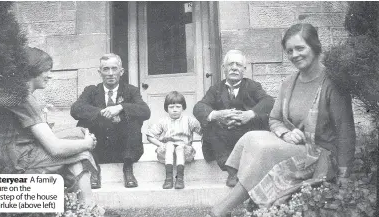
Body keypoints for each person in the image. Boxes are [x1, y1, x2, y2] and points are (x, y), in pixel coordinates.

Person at [206, 23, 356, 217]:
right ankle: (244, 189)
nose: (295, 55)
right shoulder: (289, 82)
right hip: (295, 146)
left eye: (300, 48)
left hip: (320, 154)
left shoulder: (332, 84)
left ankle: (222, 209)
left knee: (266, 150)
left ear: (315, 46)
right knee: (252, 137)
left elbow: (345, 132)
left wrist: (344, 173)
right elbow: (274, 119)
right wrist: (286, 132)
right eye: (290, 51)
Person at [0, 47, 106, 215]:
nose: (50, 75)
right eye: (47, 70)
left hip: (11, 155)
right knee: (80, 154)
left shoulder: (14, 91)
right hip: (12, 164)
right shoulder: (21, 96)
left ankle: (82, 206)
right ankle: (88, 209)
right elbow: (55, 148)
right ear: (33, 70)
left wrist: (82, 136)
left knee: (78, 134)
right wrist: (87, 144)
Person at [193, 50, 274, 187]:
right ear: (224, 68)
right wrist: (218, 115)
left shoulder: (253, 86)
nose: (234, 67)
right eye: (230, 64)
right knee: (209, 123)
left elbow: (269, 101)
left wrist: (249, 114)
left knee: (260, 120)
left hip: (245, 134)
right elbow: (199, 107)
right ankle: (232, 171)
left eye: (238, 65)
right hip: (223, 138)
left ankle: (244, 168)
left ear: (244, 69)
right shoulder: (215, 89)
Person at [71, 53, 151, 189]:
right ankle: (93, 170)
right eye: (106, 69)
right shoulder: (91, 91)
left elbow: (145, 111)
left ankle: (128, 170)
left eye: (114, 69)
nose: (110, 73)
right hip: (100, 149)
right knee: (84, 123)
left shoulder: (131, 90)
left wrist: (120, 107)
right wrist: (101, 112)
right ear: (99, 72)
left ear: (121, 71)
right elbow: (75, 109)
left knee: (134, 119)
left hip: (124, 150)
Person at [147, 91, 202, 189]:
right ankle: (168, 178)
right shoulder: (163, 121)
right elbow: (150, 135)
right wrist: (160, 144)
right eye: (171, 107)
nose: (175, 110)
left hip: (185, 152)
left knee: (180, 147)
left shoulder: (189, 120)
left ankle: (179, 178)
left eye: (178, 107)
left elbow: (203, 131)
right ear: (166, 109)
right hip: (167, 153)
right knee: (169, 145)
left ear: (183, 107)